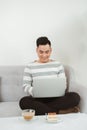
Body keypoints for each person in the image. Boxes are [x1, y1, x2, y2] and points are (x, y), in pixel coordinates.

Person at [19, 36, 80, 115]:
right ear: (37, 50)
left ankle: (44, 110)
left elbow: (63, 85)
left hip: (56, 99)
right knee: (23, 102)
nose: (44, 55)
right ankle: (59, 111)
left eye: (47, 52)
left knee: (75, 97)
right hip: (38, 99)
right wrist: (34, 91)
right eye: (41, 52)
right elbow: (25, 86)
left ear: (51, 50)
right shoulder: (29, 66)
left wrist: (58, 90)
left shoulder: (58, 65)